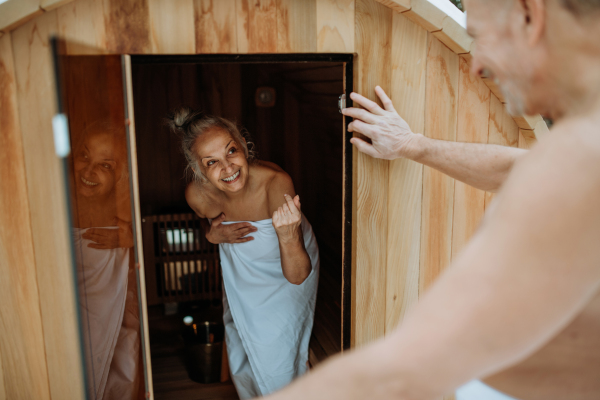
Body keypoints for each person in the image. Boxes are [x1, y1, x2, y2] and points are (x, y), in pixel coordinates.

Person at [259, 0, 600, 399]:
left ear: (529, 16)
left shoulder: (580, 161)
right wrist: (412, 145)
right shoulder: (578, 150)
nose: (476, 66)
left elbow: (404, 372)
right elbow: (517, 167)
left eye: (479, 37)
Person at [167, 109, 320, 399]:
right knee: (240, 342)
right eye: (211, 162)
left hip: (292, 259)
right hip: (243, 269)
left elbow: (298, 275)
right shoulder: (198, 196)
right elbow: (209, 224)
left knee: (277, 347)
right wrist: (211, 236)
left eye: (231, 151)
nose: (227, 168)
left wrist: (287, 234)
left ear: (243, 144)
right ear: (198, 170)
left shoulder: (275, 183)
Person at [70, 121, 141, 400]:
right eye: (84, 156)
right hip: (67, 313)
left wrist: (132, 239)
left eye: (106, 165)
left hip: (117, 306)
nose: (89, 171)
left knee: (122, 359)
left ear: (121, 174)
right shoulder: (52, 201)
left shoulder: (124, 210)